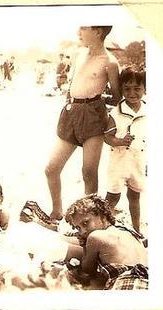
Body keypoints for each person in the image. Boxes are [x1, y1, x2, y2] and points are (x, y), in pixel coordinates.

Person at [45, 26, 121, 220]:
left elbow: (117, 95)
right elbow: (73, 84)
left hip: (93, 115)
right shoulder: (79, 54)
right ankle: (56, 211)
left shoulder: (110, 62)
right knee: (51, 168)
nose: (78, 32)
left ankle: (88, 219)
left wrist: (98, 103)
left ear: (97, 32)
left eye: (84, 29)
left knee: (88, 172)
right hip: (72, 112)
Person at [65, 194, 148, 290]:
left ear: (103, 217)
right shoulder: (128, 230)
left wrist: (84, 245)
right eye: (78, 228)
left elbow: (87, 270)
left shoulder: (95, 237)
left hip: (127, 283)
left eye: (85, 223)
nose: (82, 231)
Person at [104, 67, 146, 235]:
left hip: (138, 159)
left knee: (135, 196)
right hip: (119, 160)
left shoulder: (148, 110)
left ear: (144, 89)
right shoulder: (117, 112)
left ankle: (137, 228)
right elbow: (107, 137)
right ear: (121, 89)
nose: (132, 93)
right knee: (113, 196)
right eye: (127, 88)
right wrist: (120, 141)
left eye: (137, 88)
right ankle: (102, 225)